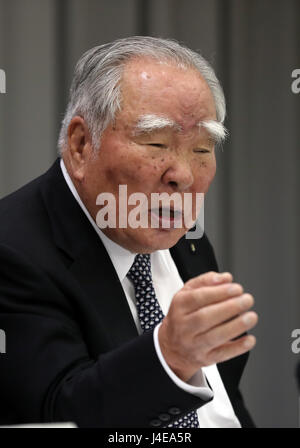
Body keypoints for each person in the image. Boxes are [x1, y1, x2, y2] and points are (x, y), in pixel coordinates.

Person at [0, 36, 258, 428]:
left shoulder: (189, 244)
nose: (183, 176)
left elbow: (221, 410)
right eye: (156, 142)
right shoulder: (12, 250)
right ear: (81, 143)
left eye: (203, 150)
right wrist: (170, 355)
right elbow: (59, 414)